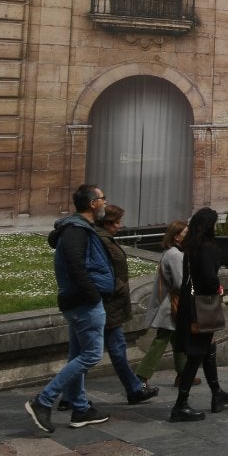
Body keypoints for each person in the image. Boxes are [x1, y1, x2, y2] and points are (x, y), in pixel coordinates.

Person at [25, 185, 114, 434]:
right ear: (93, 203)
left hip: (78, 301)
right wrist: (94, 295)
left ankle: (80, 408)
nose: (105, 204)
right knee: (92, 355)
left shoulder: (77, 229)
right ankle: (43, 400)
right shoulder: (76, 231)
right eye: (103, 199)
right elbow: (77, 267)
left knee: (78, 356)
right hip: (83, 303)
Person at [170, 207, 228, 422]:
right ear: (209, 225)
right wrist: (218, 288)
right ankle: (180, 404)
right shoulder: (208, 248)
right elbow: (209, 279)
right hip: (202, 306)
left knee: (208, 350)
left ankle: (217, 394)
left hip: (189, 305)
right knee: (196, 355)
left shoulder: (190, 247)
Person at [94, 205, 160, 405]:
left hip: (111, 302)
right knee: (93, 353)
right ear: (107, 223)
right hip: (108, 303)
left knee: (111, 348)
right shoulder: (101, 240)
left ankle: (133, 388)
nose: (120, 226)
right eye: (116, 222)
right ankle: (53, 396)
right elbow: (102, 271)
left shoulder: (104, 239)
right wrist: (118, 287)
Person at [135, 219, 188, 387]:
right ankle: (141, 377)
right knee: (162, 341)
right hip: (170, 305)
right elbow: (180, 283)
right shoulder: (175, 255)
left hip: (170, 304)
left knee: (178, 338)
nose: (190, 236)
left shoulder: (171, 252)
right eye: (186, 233)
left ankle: (183, 375)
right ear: (177, 236)